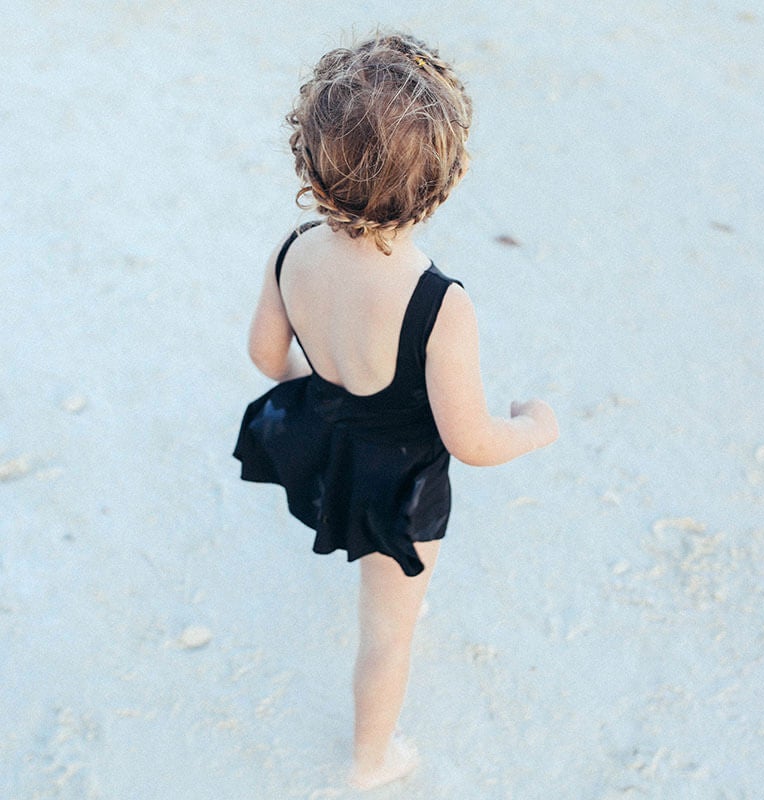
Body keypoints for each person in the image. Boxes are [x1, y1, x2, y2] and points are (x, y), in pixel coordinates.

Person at [233, 32, 559, 791]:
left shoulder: (295, 247)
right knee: (388, 633)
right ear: (442, 183)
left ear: (310, 165)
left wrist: (315, 392)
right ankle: (371, 761)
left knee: (384, 611)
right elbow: (471, 441)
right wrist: (534, 427)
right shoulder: (439, 303)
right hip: (400, 490)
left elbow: (263, 355)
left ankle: (370, 749)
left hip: (328, 440)